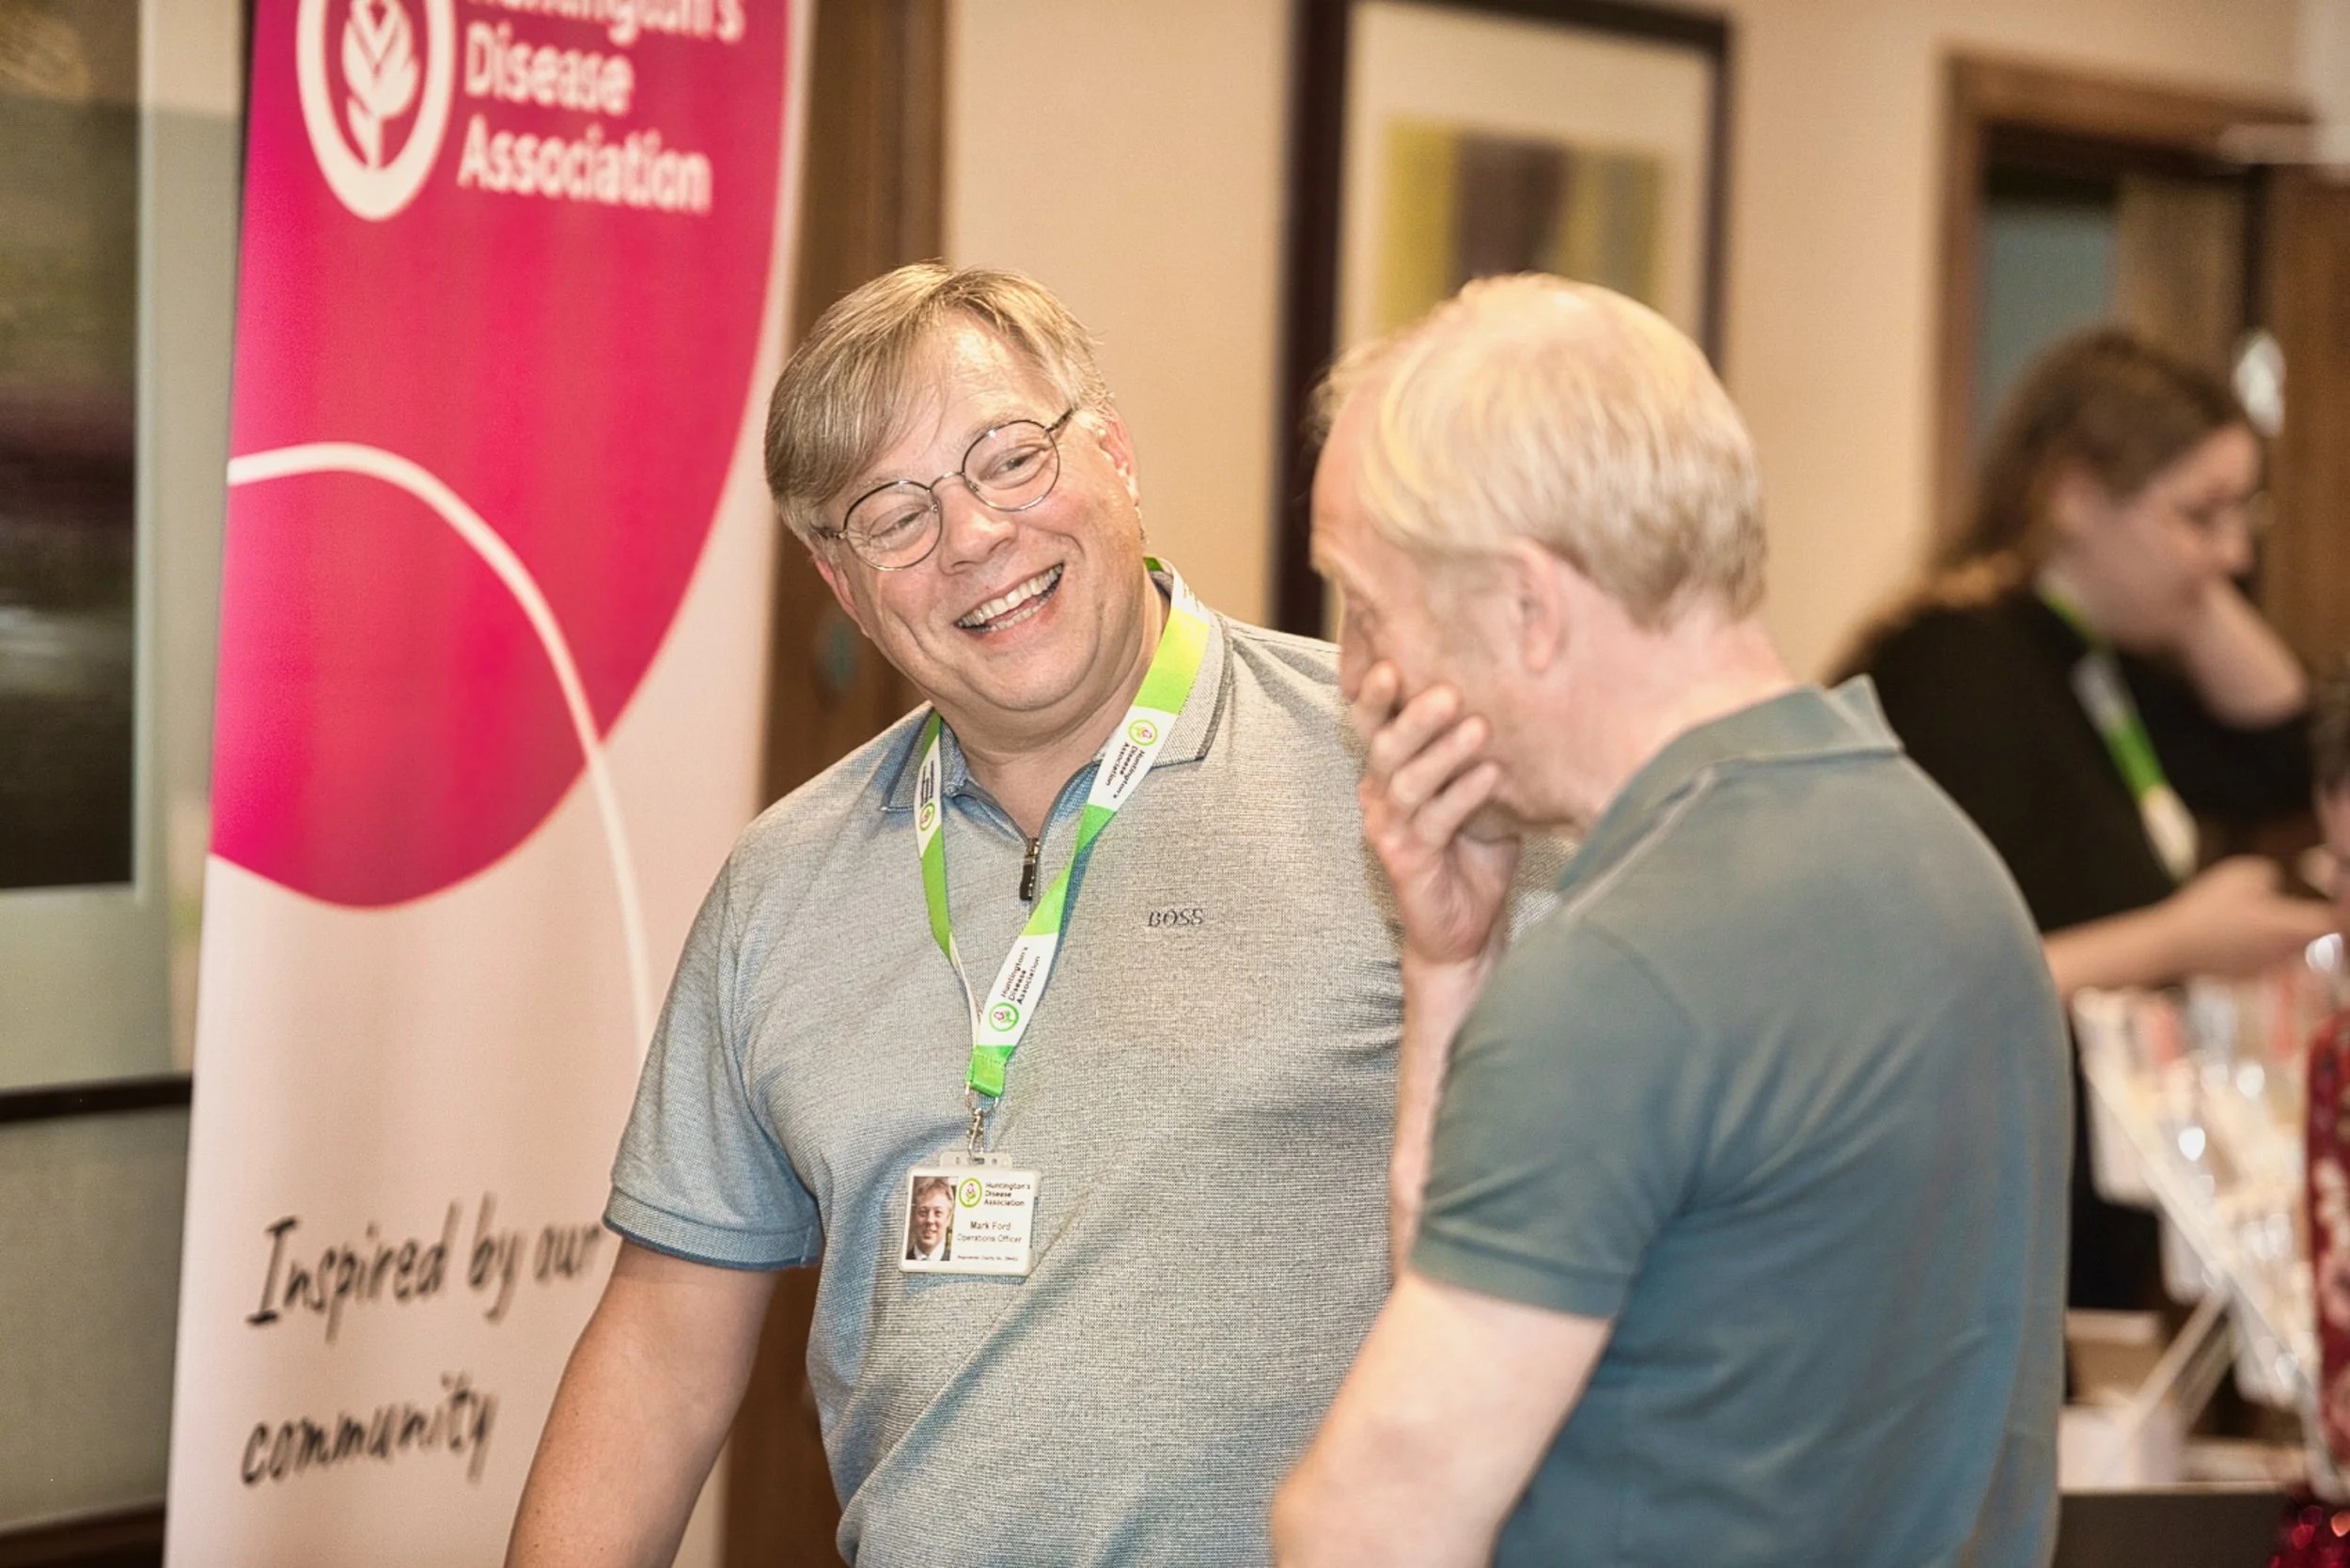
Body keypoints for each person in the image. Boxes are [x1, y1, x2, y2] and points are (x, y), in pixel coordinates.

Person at [507, 264, 1404, 1567]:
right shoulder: (781, 887)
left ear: (1113, 452)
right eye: (893, 516)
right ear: (842, 583)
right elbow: (661, 1351)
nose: (972, 538)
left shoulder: (1397, 777)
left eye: (1010, 461)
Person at [1271, 275, 2068, 1568]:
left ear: (1529, 609)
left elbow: (1364, 1527)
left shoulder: (1624, 975)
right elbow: (1491, 1311)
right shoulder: (1948, 865)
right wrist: (1452, 969)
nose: (1357, 678)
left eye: (1365, 608)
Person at [1844, 329, 2327, 1309]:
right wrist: (2180, 941)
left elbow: (2291, 752)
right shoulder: (1953, 669)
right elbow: (1931, 981)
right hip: (1958, 1202)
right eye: (2199, 513)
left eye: (2244, 513)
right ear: (2072, 496)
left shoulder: (2099, 655)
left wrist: (2186, 575)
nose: (2234, 552)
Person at [904, 1175, 952, 1262]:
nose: (930, 1220)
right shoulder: (898, 1263)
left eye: (938, 1213)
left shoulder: (958, 1264)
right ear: (913, 1216)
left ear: (948, 1218)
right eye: (923, 1212)